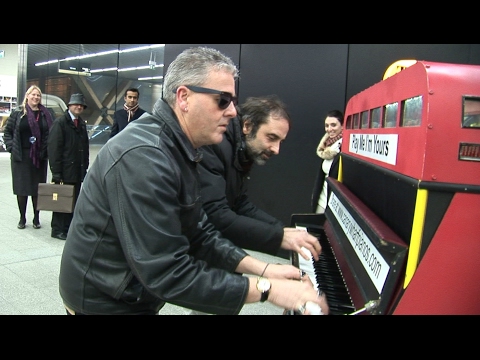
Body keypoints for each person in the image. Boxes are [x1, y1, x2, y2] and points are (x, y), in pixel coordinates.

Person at [58, 46, 329, 315]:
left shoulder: (181, 148)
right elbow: (167, 272)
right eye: (223, 100)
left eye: (232, 101)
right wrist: (268, 288)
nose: (234, 111)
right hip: (102, 303)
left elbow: (199, 232)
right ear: (184, 97)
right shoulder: (145, 156)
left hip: (131, 294)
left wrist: (264, 269)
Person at [198, 95, 322, 262]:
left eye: (281, 142)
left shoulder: (240, 148)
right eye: (271, 138)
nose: (276, 149)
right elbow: (216, 215)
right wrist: (279, 236)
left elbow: (239, 203)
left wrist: (283, 230)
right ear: (247, 126)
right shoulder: (215, 145)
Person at [3, 85, 54, 229]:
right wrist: (11, 147)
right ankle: (22, 217)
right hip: (22, 155)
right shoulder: (18, 113)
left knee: (37, 188)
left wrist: (46, 151)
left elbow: (51, 133)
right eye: (33, 95)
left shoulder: (45, 114)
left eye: (38, 95)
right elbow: (8, 132)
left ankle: (36, 218)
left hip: (40, 155)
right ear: (27, 96)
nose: (36, 97)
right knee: (22, 188)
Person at [47, 93, 89, 240]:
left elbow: (85, 148)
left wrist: (85, 168)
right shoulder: (60, 123)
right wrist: (56, 173)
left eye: (81, 105)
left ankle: (68, 228)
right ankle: (57, 229)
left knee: (73, 200)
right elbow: (54, 149)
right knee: (61, 201)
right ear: (69, 105)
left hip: (77, 171)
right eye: (76, 104)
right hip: (64, 171)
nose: (78, 107)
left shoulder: (81, 124)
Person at [312, 109, 344, 214]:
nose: (329, 129)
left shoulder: (345, 147)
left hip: (334, 206)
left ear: (343, 126)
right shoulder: (327, 145)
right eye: (327, 125)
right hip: (321, 202)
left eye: (333, 125)